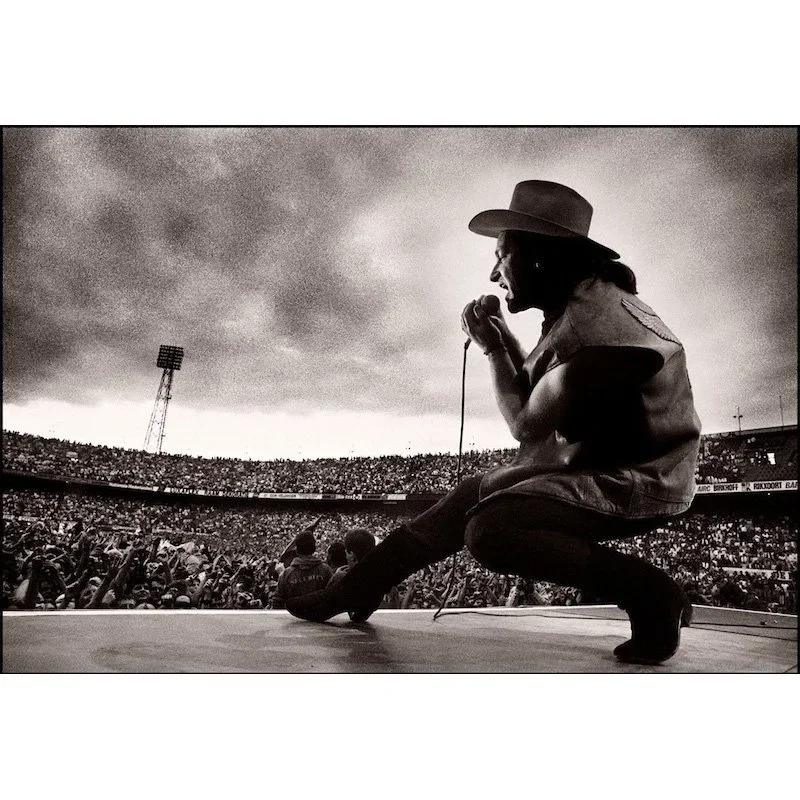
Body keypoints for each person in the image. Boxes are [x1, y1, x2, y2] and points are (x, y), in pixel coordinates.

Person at [286, 180, 702, 665]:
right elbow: (540, 385)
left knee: (491, 531)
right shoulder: (585, 302)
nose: (493, 273)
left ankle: (651, 593)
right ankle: (364, 585)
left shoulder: (597, 336)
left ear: (540, 258)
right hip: (602, 461)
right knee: (472, 493)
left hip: (641, 480)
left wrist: (490, 347)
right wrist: (502, 341)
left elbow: (527, 423)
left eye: (502, 256)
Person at [271, 531, 333, 609]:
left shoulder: (286, 574)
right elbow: (334, 597)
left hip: (294, 619)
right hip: (320, 619)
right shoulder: (326, 570)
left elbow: (277, 603)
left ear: (297, 549)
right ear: (314, 548)